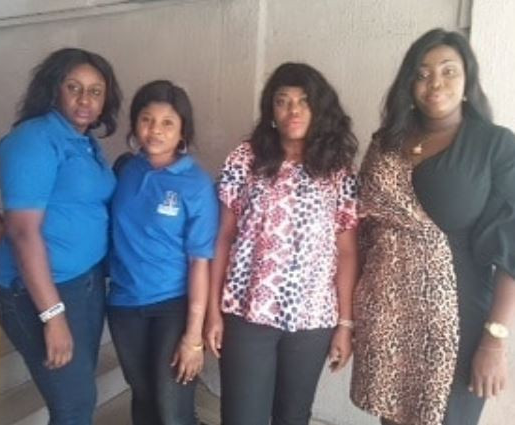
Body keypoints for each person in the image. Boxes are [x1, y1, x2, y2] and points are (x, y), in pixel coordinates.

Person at [351, 28, 515, 425]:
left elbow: (511, 245)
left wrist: (495, 339)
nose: (435, 83)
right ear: (409, 84)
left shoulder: (493, 144)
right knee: (391, 415)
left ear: (467, 80)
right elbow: (363, 227)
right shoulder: (385, 143)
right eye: (422, 74)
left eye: (448, 71)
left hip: (456, 318)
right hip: (387, 311)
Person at [205, 62, 359, 425]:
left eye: (304, 101)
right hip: (247, 311)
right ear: (271, 110)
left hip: (313, 318)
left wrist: (345, 324)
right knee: (242, 417)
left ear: (319, 108)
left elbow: (348, 251)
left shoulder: (338, 169)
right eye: (283, 101)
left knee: (293, 417)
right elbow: (223, 237)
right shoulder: (246, 158)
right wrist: (212, 311)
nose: (293, 110)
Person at [0, 48, 121, 425]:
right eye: (74, 87)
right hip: (40, 291)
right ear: (53, 89)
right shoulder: (34, 140)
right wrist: (52, 315)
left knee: (79, 395)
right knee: (74, 406)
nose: (85, 99)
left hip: (84, 281)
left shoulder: (83, 140)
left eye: (95, 91)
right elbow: (22, 232)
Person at [107, 80, 219, 425]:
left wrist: (193, 337)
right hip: (124, 305)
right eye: (146, 119)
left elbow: (200, 262)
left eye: (167, 122)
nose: (155, 130)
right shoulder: (125, 170)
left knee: (172, 408)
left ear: (183, 130)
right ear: (135, 124)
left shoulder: (195, 184)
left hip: (172, 305)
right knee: (143, 399)